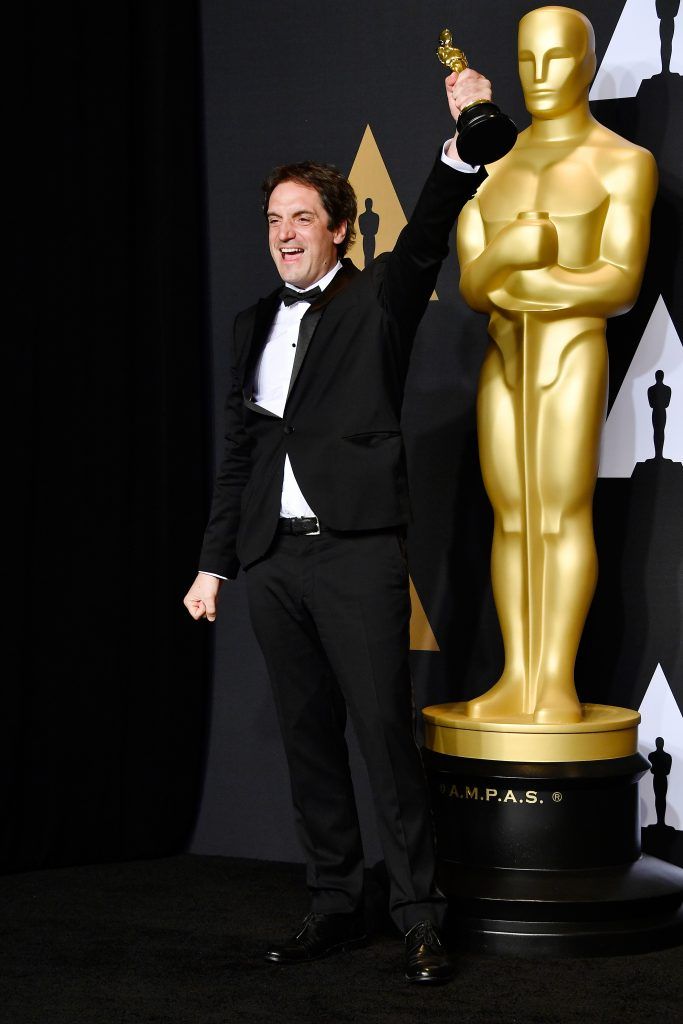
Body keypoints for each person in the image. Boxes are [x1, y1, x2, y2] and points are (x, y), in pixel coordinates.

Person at [183, 68, 491, 983]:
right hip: (272, 563)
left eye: (302, 218)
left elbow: (431, 228)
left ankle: (419, 917)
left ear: (341, 228)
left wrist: (460, 141)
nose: (284, 234)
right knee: (308, 742)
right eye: (274, 220)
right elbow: (238, 455)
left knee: (383, 743)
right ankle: (332, 905)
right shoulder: (250, 325)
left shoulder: (378, 301)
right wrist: (214, 567)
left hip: (357, 555)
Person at [456, 6, 656, 724]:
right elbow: (475, 285)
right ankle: (517, 677)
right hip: (505, 357)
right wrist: (515, 256)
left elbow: (617, 282)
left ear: (587, 62)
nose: (540, 77)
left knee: (562, 514)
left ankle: (555, 682)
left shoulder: (623, 163)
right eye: (526, 61)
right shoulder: (495, 164)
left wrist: (519, 276)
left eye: (558, 60)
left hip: (571, 354)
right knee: (511, 518)